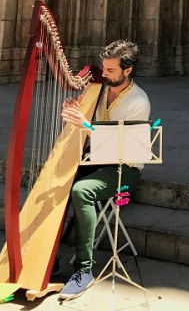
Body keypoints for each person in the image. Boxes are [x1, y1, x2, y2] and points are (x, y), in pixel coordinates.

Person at [58, 40, 151, 300]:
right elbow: (89, 126)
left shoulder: (138, 101)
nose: (104, 73)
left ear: (127, 71)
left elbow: (122, 147)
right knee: (58, 179)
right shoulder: (99, 89)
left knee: (81, 190)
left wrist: (87, 125)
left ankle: (84, 270)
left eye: (110, 70)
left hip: (124, 167)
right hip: (98, 158)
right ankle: (48, 254)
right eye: (104, 68)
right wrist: (75, 110)